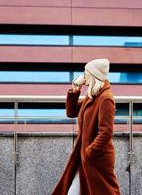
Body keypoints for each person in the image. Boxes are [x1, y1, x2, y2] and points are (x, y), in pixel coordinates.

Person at [51, 58, 121, 195]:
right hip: (84, 157)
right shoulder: (92, 95)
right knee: (72, 191)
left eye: (86, 72)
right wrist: (76, 89)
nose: (84, 76)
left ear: (94, 75)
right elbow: (71, 113)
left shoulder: (105, 98)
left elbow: (106, 132)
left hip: (97, 158)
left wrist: (90, 152)